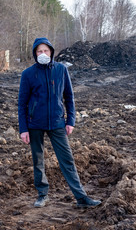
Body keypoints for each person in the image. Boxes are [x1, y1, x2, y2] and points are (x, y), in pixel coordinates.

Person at [18, 37, 101, 208]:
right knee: (38, 160)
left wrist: (70, 120)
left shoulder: (61, 70)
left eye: (45, 51)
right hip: (35, 124)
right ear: (35, 53)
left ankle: (81, 197)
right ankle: (42, 195)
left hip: (57, 123)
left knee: (67, 159)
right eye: (39, 51)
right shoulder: (28, 74)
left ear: (51, 52)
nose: (43, 54)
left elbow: (69, 97)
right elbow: (22, 103)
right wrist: (23, 128)